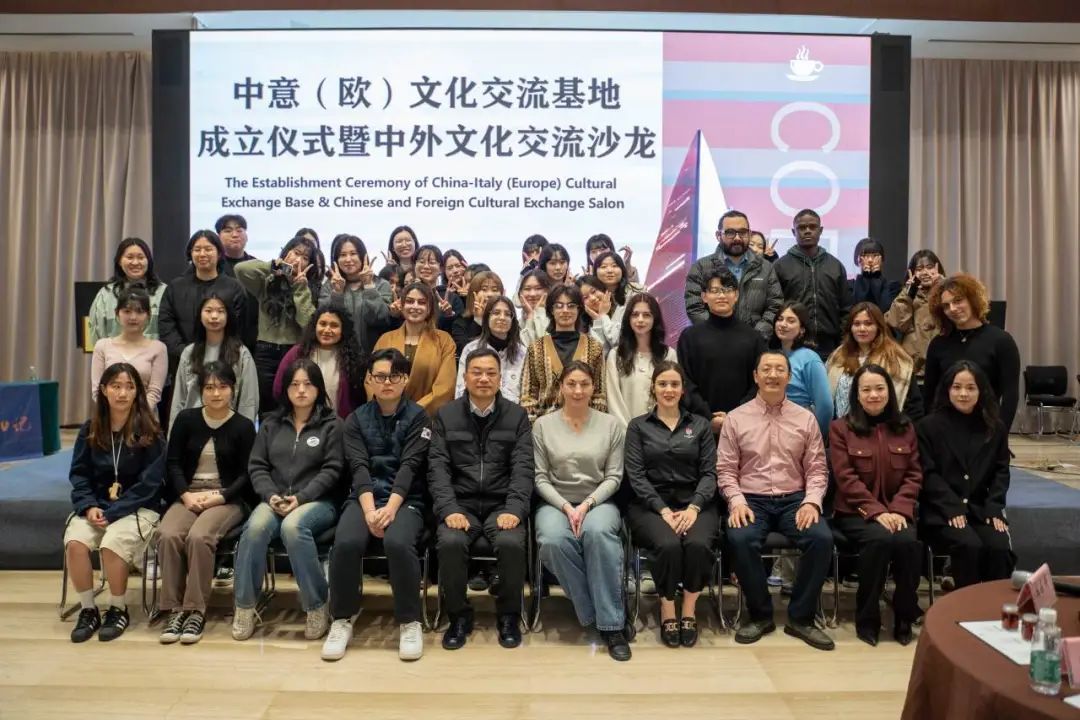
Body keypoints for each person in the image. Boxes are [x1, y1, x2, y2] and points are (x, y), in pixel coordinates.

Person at [717, 350, 835, 651]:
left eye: (779, 369)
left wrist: (811, 502)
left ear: (789, 377)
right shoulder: (736, 418)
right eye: (766, 369)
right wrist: (736, 501)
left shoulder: (805, 419)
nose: (773, 375)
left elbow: (817, 469)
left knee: (821, 539)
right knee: (740, 538)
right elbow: (726, 469)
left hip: (794, 499)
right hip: (751, 499)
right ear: (755, 376)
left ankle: (801, 618)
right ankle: (760, 615)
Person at [322, 349, 431, 662]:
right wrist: (370, 511)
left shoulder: (419, 417)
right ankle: (342, 619)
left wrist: (391, 509)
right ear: (369, 379)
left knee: (397, 542)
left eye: (394, 376)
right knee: (346, 542)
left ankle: (410, 621)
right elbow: (359, 468)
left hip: (407, 499)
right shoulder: (356, 419)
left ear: (405, 379)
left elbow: (410, 466)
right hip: (364, 498)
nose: (387, 382)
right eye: (380, 376)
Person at [428, 348, 534, 651]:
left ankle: (509, 616)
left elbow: (523, 468)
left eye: (490, 373)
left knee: (511, 543)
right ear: (465, 377)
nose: (484, 378)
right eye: (477, 372)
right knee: (450, 542)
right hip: (460, 505)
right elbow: (437, 468)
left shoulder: (516, 416)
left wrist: (514, 509)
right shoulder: (446, 415)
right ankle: (458, 616)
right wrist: (449, 509)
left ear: (500, 379)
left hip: (502, 505)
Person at [232, 359, 344, 642]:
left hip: (318, 502)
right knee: (255, 528)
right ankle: (245, 605)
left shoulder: (332, 424)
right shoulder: (271, 423)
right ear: (285, 389)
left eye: (308, 384)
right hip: (275, 498)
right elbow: (257, 466)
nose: (301, 390)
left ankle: (316, 605)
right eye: (295, 384)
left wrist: (302, 497)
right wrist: (270, 495)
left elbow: (333, 469)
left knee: (293, 527)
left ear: (318, 388)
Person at [533, 361, 632, 661]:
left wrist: (587, 504)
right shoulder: (542, 425)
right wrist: (566, 507)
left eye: (584, 384)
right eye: (571, 384)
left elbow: (614, 476)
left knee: (598, 534)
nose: (578, 390)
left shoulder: (611, 425)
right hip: (556, 501)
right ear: (561, 387)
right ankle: (594, 612)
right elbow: (540, 477)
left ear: (593, 388)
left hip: (599, 501)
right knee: (552, 540)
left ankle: (612, 627)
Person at [65, 362, 165, 643]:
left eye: (129, 387)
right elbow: (79, 474)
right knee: (75, 544)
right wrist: (88, 506)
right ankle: (88, 609)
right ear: (103, 390)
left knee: (112, 544)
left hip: (137, 508)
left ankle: (118, 609)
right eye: (116, 386)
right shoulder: (90, 429)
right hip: (96, 507)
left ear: (137, 392)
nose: (122, 393)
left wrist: (114, 511)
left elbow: (150, 484)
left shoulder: (151, 431)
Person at [157, 362, 256, 645]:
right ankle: (173, 609)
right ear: (200, 390)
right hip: (188, 495)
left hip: (227, 499)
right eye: (209, 387)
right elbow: (173, 463)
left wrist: (220, 496)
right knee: (168, 534)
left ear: (233, 389)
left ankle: (195, 610)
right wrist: (185, 495)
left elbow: (248, 474)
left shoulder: (243, 426)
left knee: (200, 537)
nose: (216, 393)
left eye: (222, 387)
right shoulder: (186, 420)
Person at [624, 361, 718, 648]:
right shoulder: (638, 426)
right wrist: (663, 510)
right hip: (650, 504)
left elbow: (709, 474)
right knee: (668, 545)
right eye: (662, 384)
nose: (668, 389)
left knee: (698, 544)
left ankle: (688, 608)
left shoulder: (700, 425)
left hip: (695, 503)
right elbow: (636, 476)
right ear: (653, 388)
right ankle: (667, 607)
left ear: (683, 389)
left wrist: (694, 508)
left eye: (674, 384)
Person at [829, 364, 923, 647]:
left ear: (889, 392)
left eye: (880, 388)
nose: (873, 395)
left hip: (898, 511)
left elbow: (914, 474)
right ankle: (868, 617)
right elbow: (846, 478)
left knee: (908, 542)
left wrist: (899, 509)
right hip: (855, 512)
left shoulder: (905, 427)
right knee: (879, 540)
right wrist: (877, 511)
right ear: (857, 395)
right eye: (866, 389)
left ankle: (905, 616)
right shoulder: (841, 428)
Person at [917, 361, 1014, 589]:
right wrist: (951, 507)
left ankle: (994, 605)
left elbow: (1001, 471)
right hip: (941, 511)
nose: (963, 394)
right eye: (957, 387)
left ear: (981, 391)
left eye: (971, 388)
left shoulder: (994, 428)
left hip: (980, 510)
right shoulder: (928, 426)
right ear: (947, 389)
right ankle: (965, 604)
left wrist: (994, 507)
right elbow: (928, 474)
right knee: (969, 545)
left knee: (999, 546)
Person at [235, 235, 324, 415]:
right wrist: (274, 266)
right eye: (296, 253)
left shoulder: (312, 288)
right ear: (286, 253)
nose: (298, 260)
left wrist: (300, 288)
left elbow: (307, 323)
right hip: (265, 352)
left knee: (293, 405)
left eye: (305, 257)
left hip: (294, 352)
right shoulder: (268, 281)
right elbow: (240, 269)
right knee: (266, 406)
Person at [923, 273, 1020, 431]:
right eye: (946, 305)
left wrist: (1000, 434)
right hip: (945, 430)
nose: (952, 309)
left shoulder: (1001, 341)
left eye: (958, 301)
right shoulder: (938, 344)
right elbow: (929, 395)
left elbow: (1011, 395)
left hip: (987, 429)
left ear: (973, 300)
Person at [677, 269, 766, 434]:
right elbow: (685, 382)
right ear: (704, 296)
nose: (722, 295)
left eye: (727, 290)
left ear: (736, 295)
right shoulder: (690, 337)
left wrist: (735, 416)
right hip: (699, 426)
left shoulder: (754, 338)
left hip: (745, 426)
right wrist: (708, 417)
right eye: (715, 290)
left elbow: (759, 383)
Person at [684, 210, 783, 340]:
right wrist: (718, 333)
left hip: (754, 342)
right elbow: (694, 306)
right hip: (713, 342)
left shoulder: (766, 267)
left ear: (749, 234)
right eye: (730, 232)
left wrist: (756, 335)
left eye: (742, 232)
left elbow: (775, 304)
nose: (737, 238)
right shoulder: (701, 267)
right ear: (718, 235)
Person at [159, 230, 248, 370]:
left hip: (224, 362)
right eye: (197, 250)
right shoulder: (176, 287)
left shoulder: (234, 287)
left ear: (219, 253)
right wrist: (185, 353)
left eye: (208, 249)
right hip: (183, 362)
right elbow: (166, 324)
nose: (202, 254)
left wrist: (221, 354)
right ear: (190, 254)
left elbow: (240, 327)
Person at [773, 209, 853, 357]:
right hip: (791, 345)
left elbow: (846, 308)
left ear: (820, 230)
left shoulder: (835, 266)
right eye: (802, 228)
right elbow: (775, 307)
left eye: (812, 227)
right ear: (793, 232)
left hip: (830, 347)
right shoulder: (780, 266)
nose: (807, 231)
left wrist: (843, 342)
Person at [520, 284, 606, 422]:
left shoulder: (594, 347)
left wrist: (594, 426)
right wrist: (534, 427)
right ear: (551, 310)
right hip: (545, 425)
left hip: (586, 425)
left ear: (579, 309)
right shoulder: (536, 348)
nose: (565, 310)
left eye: (571, 306)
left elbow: (599, 395)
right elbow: (528, 396)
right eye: (559, 306)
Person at [169, 294, 259, 424]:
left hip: (229, 427)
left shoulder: (241, 354)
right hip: (192, 427)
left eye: (220, 311)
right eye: (208, 311)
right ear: (200, 315)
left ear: (228, 316)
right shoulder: (189, 353)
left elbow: (248, 401)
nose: (214, 316)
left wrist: (244, 431)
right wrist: (174, 432)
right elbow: (179, 400)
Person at [373, 282, 456, 416]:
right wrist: (388, 409)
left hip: (427, 418)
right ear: (402, 306)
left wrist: (412, 413)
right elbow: (371, 381)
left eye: (421, 302)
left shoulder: (444, 341)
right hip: (387, 416)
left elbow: (445, 387)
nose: (415, 306)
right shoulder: (385, 339)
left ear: (429, 309)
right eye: (410, 301)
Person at [825, 302, 919, 420]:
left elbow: (914, 406)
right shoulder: (837, 356)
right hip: (842, 427)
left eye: (868, 323)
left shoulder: (897, 359)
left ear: (878, 327)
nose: (862, 329)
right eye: (857, 324)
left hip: (884, 427)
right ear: (850, 328)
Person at [273, 303, 366, 419]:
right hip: (301, 422)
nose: (327, 330)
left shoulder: (352, 358)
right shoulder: (298, 353)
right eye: (323, 324)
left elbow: (359, 399)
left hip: (340, 424)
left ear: (343, 330)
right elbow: (278, 389)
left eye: (334, 325)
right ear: (315, 326)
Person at [605, 292, 677, 426]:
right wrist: (629, 432)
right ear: (628, 319)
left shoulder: (668, 355)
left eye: (646, 315)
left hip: (660, 431)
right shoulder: (616, 355)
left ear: (655, 318)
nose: (640, 320)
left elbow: (672, 396)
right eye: (635, 314)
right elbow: (613, 400)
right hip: (625, 432)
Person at [91, 287, 168, 408]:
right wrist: (116, 413)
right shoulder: (102, 346)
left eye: (139, 312)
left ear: (148, 315)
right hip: (109, 415)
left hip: (145, 415)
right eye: (127, 311)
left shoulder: (158, 348)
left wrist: (135, 414)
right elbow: (97, 391)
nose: (133, 317)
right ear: (117, 313)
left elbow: (154, 393)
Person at [320, 234, 394, 354]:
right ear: (336, 260)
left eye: (353, 253)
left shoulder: (381, 284)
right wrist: (337, 293)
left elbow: (382, 319)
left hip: (373, 354)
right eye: (343, 255)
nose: (348, 259)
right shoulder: (329, 286)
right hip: (337, 353)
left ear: (363, 255)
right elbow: (323, 320)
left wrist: (369, 287)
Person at [87, 237, 167, 345]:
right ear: (119, 261)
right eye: (129, 257)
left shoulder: (164, 292)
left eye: (141, 257)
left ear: (148, 261)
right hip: (114, 354)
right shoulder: (105, 294)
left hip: (155, 354)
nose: (135, 262)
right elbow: (96, 334)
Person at [771, 301, 832, 438]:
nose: (783, 324)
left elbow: (825, 406)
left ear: (802, 329)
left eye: (791, 321)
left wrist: (816, 437)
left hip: (800, 431)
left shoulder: (809, 358)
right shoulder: (772, 356)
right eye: (780, 319)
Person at [885, 250, 945, 382]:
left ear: (938, 269)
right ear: (911, 272)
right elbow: (897, 323)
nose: (925, 272)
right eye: (919, 269)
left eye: (929, 267)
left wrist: (942, 287)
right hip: (913, 370)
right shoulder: (907, 295)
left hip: (943, 368)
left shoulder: (947, 292)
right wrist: (908, 293)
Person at [455, 296, 527, 403]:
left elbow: (528, 395)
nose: (502, 318)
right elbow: (460, 391)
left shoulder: (523, 353)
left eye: (507, 314)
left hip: (515, 411)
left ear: (513, 320)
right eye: (496, 313)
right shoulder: (471, 349)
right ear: (487, 317)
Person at [216, 214, 260, 350]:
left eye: (239, 230)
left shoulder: (257, 265)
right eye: (228, 230)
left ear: (246, 236)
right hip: (222, 337)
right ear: (218, 237)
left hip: (255, 340)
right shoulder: (213, 267)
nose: (235, 235)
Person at [584, 251, 642, 352]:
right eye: (603, 267)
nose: (610, 270)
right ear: (595, 272)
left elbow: (619, 340)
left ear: (622, 269)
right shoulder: (593, 300)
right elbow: (598, 350)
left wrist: (603, 316)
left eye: (614, 266)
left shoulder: (635, 293)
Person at [450, 270, 504, 357]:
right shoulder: (460, 323)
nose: (490, 294)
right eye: (484, 289)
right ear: (473, 294)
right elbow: (467, 352)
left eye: (495, 290)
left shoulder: (507, 320)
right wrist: (478, 320)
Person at [412, 244, 464, 333]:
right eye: (421, 262)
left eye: (432, 262)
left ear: (441, 269)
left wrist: (449, 315)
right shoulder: (405, 295)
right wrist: (395, 314)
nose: (426, 266)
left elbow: (460, 332)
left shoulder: (453, 298)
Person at [848, 237, 900, 313]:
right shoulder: (850, 286)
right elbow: (857, 308)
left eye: (875, 256)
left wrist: (876, 276)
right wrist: (865, 276)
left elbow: (883, 309)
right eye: (865, 256)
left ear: (882, 259)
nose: (870, 260)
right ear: (858, 259)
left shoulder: (893, 287)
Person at [517, 269, 552, 346]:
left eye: (538, 288)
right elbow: (528, 347)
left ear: (548, 291)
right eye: (527, 289)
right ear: (520, 293)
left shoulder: (557, 319)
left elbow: (546, 345)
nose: (532, 294)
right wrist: (530, 316)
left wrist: (540, 311)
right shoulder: (516, 324)